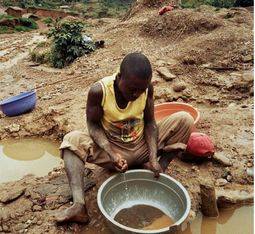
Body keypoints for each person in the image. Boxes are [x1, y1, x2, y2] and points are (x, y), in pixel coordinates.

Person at [54, 52, 194, 223]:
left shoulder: (147, 88)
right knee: (71, 140)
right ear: (119, 77)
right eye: (131, 89)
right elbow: (93, 125)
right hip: (114, 150)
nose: (136, 94)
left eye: (140, 90)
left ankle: (157, 170)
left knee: (184, 119)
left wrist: (153, 157)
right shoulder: (99, 91)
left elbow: (150, 123)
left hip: (141, 145)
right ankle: (79, 206)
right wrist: (111, 153)